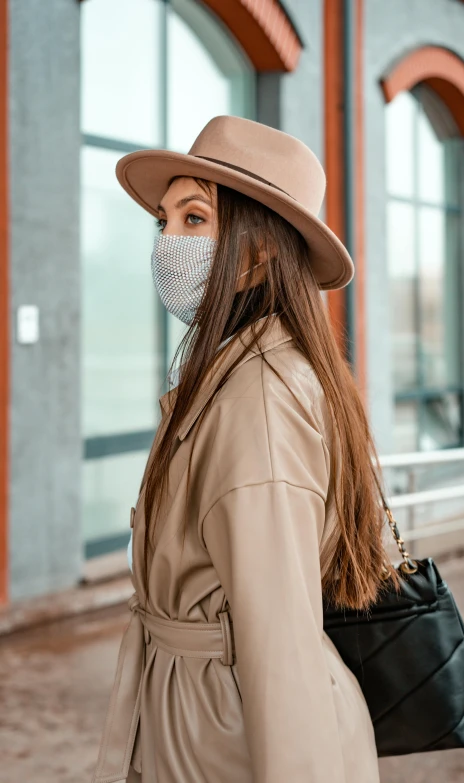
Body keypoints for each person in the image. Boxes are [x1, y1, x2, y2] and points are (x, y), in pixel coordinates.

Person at [91, 115, 397, 783]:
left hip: (226, 738)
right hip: (201, 723)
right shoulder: (235, 372)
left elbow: (279, 651)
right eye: (163, 221)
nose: (167, 242)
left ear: (257, 252)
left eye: (194, 219)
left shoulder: (257, 398)